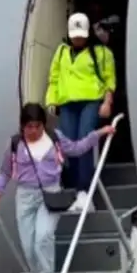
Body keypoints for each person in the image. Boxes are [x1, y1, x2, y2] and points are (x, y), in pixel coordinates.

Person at [0, 103, 116, 273]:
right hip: (25, 197)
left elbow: (76, 148)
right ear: (22, 126)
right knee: (28, 246)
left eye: (37, 126)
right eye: (29, 126)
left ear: (43, 125)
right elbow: (4, 172)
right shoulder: (15, 144)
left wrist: (99, 134)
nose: (33, 131)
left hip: (51, 194)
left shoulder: (54, 138)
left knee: (43, 238)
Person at [45, 12, 117, 212]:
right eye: (75, 36)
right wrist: (51, 101)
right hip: (67, 102)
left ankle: (84, 190)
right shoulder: (61, 52)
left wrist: (107, 102)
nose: (78, 39)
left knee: (84, 139)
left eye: (81, 36)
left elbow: (109, 79)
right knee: (67, 143)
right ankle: (73, 185)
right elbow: (54, 78)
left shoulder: (101, 52)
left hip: (91, 100)